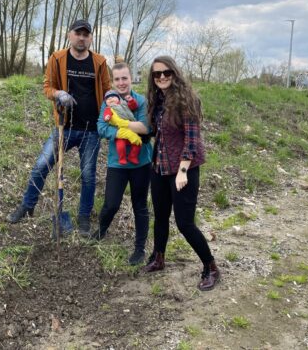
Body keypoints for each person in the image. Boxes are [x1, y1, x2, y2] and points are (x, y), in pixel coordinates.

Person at [6, 19, 111, 237]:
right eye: (78, 33)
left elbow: (108, 91)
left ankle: (83, 217)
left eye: (86, 34)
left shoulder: (99, 62)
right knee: (41, 166)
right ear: (69, 35)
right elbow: (47, 87)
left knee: (89, 176)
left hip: (91, 130)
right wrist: (58, 94)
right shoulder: (57, 58)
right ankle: (28, 205)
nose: (82, 37)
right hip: (65, 127)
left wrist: (111, 112)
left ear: (90, 38)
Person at [143, 55, 220, 291]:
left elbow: (192, 138)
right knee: (161, 216)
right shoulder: (157, 100)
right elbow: (156, 133)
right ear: (153, 78)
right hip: (160, 168)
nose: (162, 77)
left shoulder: (187, 99)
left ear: (174, 73)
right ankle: (159, 257)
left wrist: (183, 170)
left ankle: (211, 267)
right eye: (157, 74)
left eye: (166, 72)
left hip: (183, 170)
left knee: (185, 223)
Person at [92, 62, 152, 265]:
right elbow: (101, 126)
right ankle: (101, 231)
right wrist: (118, 132)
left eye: (124, 78)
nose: (121, 82)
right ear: (113, 81)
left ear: (131, 77)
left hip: (141, 163)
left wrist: (123, 124)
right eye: (117, 79)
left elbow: (145, 127)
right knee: (111, 204)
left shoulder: (141, 101)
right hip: (117, 163)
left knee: (140, 206)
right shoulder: (109, 100)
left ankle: (139, 248)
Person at [103, 89, 141, 165]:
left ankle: (132, 156)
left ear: (118, 98)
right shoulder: (109, 109)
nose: (110, 99)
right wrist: (107, 117)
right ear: (106, 103)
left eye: (113, 97)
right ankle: (122, 158)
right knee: (120, 145)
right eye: (108, 98)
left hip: (131, 127)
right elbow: (107, 114)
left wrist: (131, 101)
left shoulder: (124, 105)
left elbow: (133, 107)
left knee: (137, 142)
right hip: (120, 130)